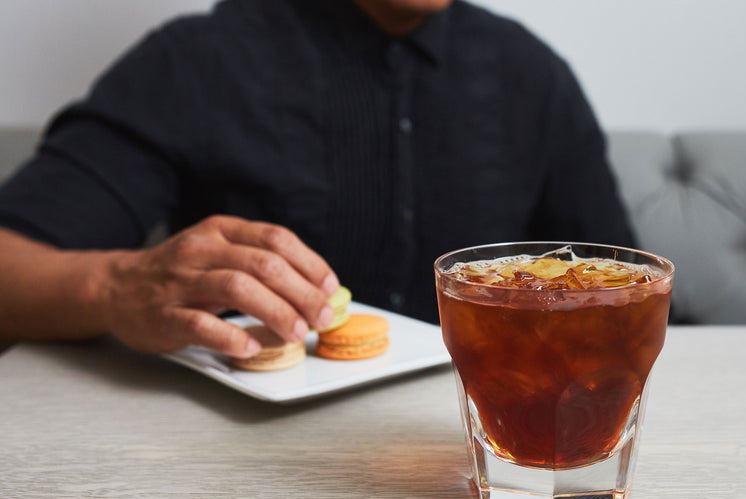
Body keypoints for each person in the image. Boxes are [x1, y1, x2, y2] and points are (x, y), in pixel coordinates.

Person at [0, 0, 635, 359]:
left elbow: (630, 293)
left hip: (475, 459)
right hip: (235, 465)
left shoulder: (534, 76)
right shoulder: (197, 61)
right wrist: (116, 288)